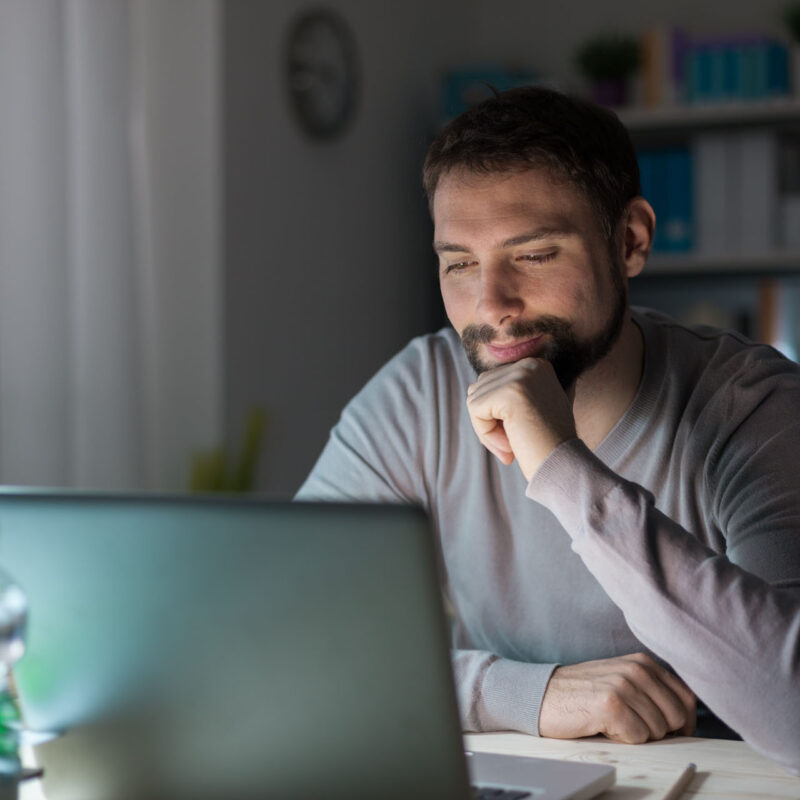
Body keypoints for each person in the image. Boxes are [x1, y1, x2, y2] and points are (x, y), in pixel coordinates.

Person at [296, 86, 800, 774]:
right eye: (459, 263)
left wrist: (562, 467)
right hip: (511, 771)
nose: (491, 306)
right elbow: (289, 646)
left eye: (533, 255)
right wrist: (524, 694)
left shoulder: (753, 406)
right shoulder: (418, 394)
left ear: (630, 241)